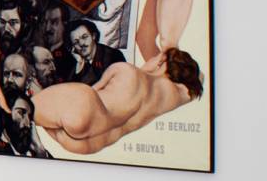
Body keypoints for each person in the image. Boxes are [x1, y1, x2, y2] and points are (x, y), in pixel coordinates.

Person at [32, 48, 203, 154]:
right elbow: (200, 78)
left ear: (161, 61)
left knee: (25, 106)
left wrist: (155, 62)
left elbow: (94, 90)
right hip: (86, 144)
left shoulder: (127, 71)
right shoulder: (173, 98)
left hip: (84, 109)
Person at [64, 20, 124, 85]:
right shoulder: (73, 62)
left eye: (84, 37)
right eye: (76, 42)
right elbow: (69, 88)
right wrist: (79, 65)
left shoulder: (114, 56)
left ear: (93, 36)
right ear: (73, 47)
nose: (81, 43)